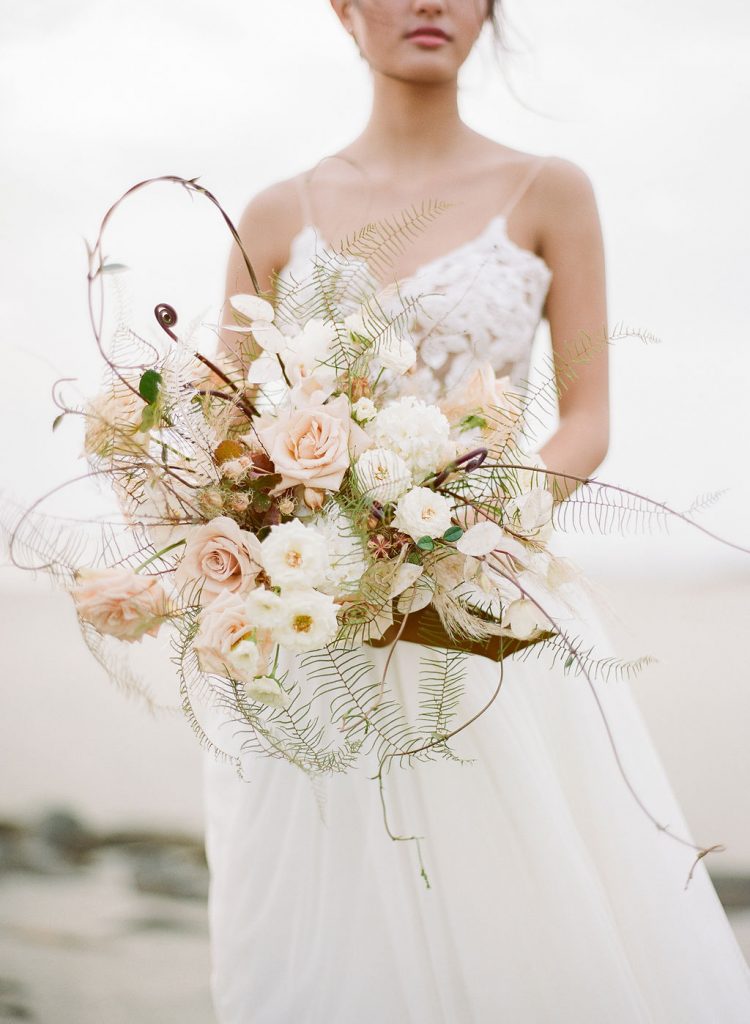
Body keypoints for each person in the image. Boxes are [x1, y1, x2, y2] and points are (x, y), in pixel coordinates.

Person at [202, 2, 750, 1020]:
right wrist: (304, 527)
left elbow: (587, 417)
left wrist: (473, 526)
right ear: (342, 7)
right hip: (322, 630)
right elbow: (224, 437)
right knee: (329, 933)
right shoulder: (275, 214)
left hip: (491, 608)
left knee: (527, 911)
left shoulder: (548, 191)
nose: (431, 3)